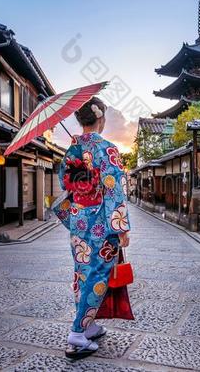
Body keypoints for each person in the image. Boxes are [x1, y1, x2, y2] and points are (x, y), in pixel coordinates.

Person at [53, 97, 130, 359]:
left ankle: (89, 325)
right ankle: (77, 332)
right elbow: (114, 188)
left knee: (82, 273)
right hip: (100, 223)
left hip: (79, 221)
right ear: (100, 118)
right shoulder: (107, 149)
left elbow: (66, 182)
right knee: (98, 275)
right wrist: (120, 226)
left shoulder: (71, 149)